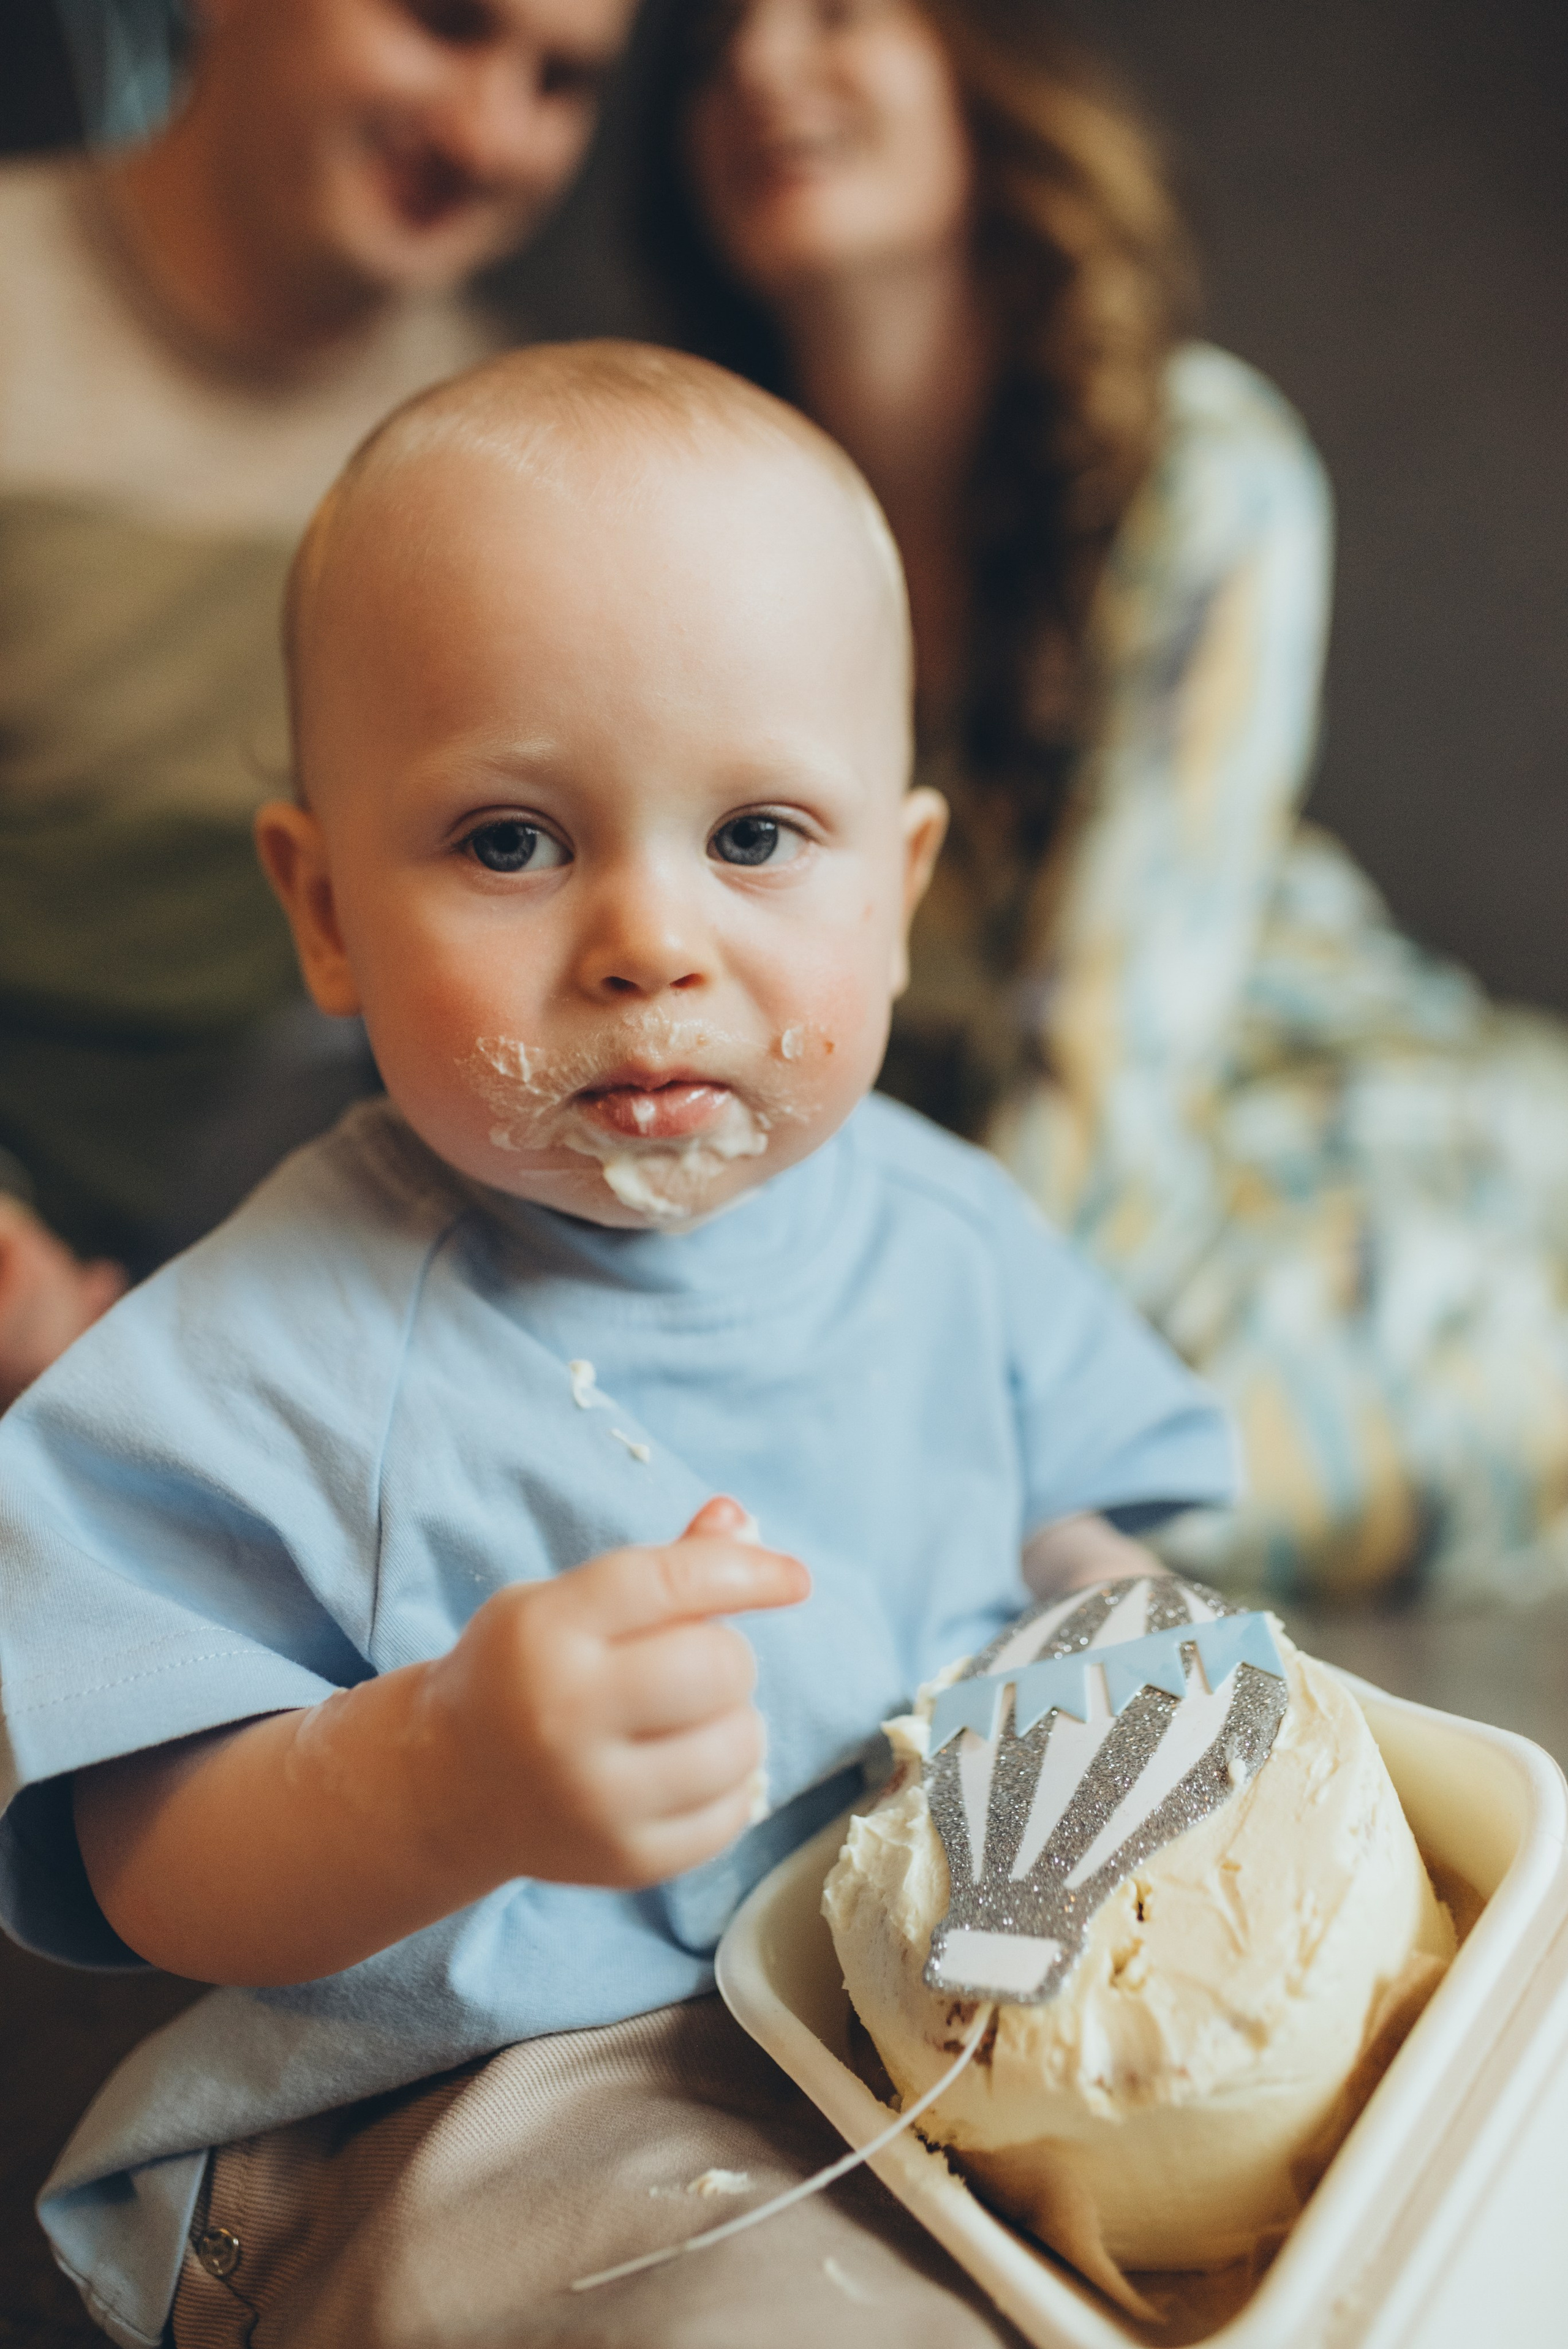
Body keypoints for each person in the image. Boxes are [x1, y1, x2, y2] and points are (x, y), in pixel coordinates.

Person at [0, 343, 1234, 2348]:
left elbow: (1078, 1521)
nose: (652, 941)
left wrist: (1112, 1632)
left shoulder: (946, 1230)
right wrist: (439, 1779)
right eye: (511, 840)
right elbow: (138, 1848)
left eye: (757, 836)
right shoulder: (274, 1343)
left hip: (961, 2011)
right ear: (323, 912)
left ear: (900, 892)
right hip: (528, 2088)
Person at [638, 0, 1568, 1605]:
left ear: (976, 73)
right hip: (1016, 1209)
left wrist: (883, 1408)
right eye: (714, 48)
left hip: (1328, 1129)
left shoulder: (1199, 464)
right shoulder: (699, 550)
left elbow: (1115, 1043)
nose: (765, 70)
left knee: (1052, 1494)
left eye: (839, 12)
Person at [0, 0, 634, 1406]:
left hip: (324, 1280)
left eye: (560, 82)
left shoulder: (528, 446)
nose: (487, 132)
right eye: (444, 26)